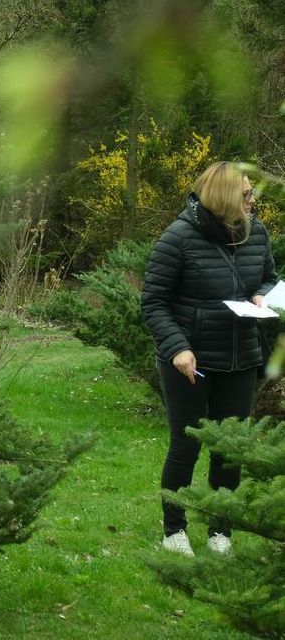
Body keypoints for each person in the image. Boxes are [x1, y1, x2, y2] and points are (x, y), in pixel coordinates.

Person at [141, 161, 277, 556]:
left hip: (241, 357)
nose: (253, 201)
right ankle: (174, 529)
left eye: (252, 194)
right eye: (246, 195)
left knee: (229, 447)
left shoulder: (257, 233)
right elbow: (154, 301)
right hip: (190, 360)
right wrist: (178, 347)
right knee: (186, 445)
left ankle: (221, 530)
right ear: (223, 198)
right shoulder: (178, 238)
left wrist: (263, 296)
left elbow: (267, 276)